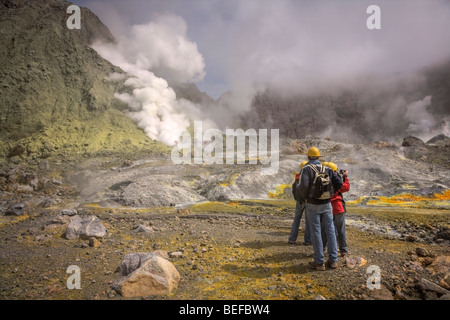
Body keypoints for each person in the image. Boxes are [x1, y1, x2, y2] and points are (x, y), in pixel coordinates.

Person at [296, 147, 342, 271]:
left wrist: (304, 198)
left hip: (313, 204)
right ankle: (333, 261)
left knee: (316, 231)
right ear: (318, 157)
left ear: (308, 157)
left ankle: (319, 262)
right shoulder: (326, 168)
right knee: (330, 230)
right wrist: (331, 194)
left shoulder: (306, 169)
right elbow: (339, 182)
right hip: (327, 203)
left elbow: (303, 186)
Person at [322, 162, 350, 257]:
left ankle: (322, 249)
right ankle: (343, 250)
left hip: (326, 207)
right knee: (340, 230)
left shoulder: (322, 179)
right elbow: (345, 187)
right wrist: (345, 177)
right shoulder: (336, 180)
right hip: (338, 207)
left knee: (326, 230)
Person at [289, 161, 311, 245]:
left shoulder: (297, 177)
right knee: (308, 221)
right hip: (307, 201)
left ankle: (292, 239)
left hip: (299, 202)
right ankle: (307, 241)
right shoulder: (308, 176)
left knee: (296, 220)